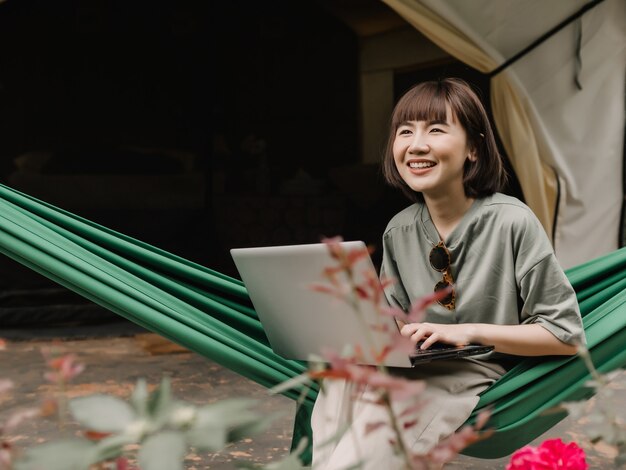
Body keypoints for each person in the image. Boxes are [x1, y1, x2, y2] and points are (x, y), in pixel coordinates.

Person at [310, 78, 585, 469]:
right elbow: (392, 325)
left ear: (474, 147)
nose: (416, 144)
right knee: (344, 381)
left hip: (477, 373)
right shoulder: (399, 229)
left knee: (369, 438)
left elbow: (565, 335)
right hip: (413, 368)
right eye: (405, 131)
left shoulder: (512, 222)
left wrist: (467, 332)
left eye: (435, 129)